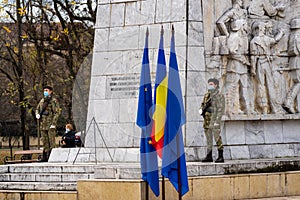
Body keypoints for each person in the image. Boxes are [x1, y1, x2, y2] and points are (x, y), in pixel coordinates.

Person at [250, 21, 284, 114]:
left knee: (261, 85)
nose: (265, 29)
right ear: (260, 29)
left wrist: (253, 68)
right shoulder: (266, 39)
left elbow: (253, 56)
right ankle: (273, 108)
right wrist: (281, 33)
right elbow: (276, 40)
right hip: (266, 63)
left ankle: (264, 108)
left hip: (259, 64)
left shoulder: (253, 41)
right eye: (263, 27)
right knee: (270, 85)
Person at [199, 78, 225, 163]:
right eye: (209, 84)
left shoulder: (219, 95)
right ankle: (209, 156)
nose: (210, 86)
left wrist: (217, 121)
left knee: (217, 137)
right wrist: (201, 110)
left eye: (211, 84)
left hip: (214, 120)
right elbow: (203, 104)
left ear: (216, 85)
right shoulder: (207, 95)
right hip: (207, 120)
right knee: (209, 139)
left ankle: (220, 156)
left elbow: (220, 109)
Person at [36, 86, 61, 161]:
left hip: (50, 124)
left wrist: (54, 123)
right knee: (45, 141)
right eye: (44, 90)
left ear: (50, 91)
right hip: (43, 124)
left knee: (51, 141)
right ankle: (45, 157)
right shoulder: (42, 101)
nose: (45, 92)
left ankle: (52, 157)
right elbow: (37, 109)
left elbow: (57, 112)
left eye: (46, 90)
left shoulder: (53, 101)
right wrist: (37, 114)